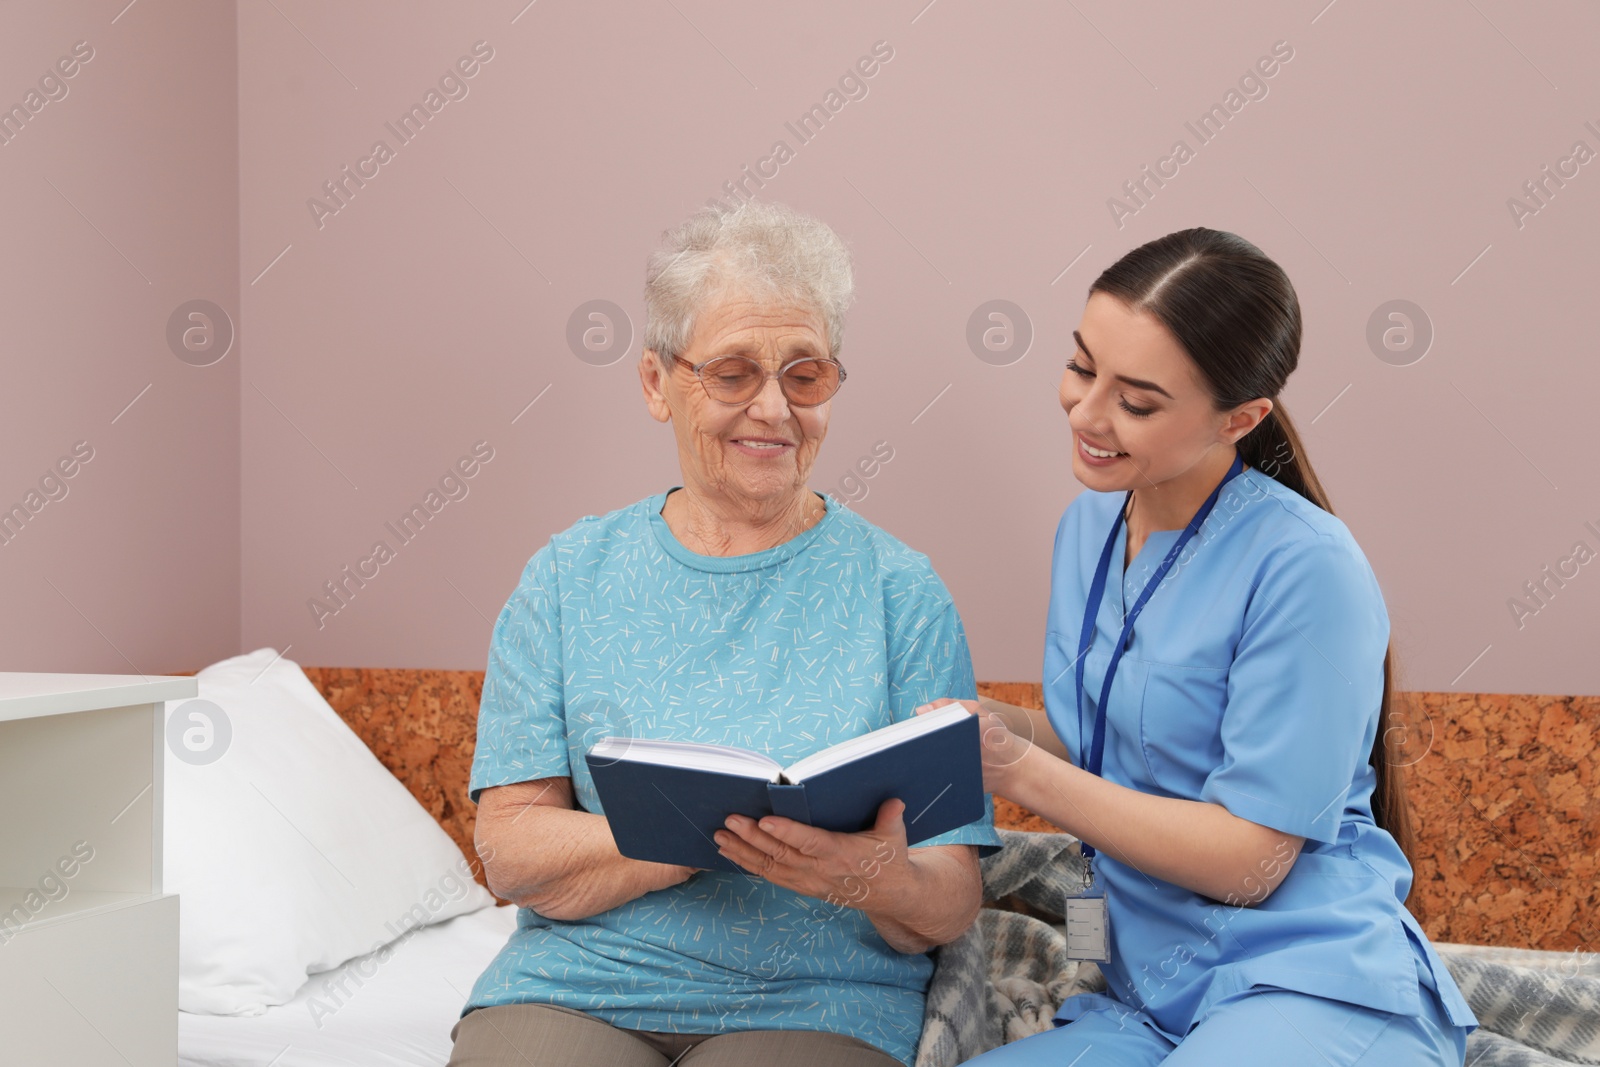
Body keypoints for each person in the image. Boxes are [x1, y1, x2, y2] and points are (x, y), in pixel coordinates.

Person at [446, 199, 1002, 1067]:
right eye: (734, 372)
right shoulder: (565, 579)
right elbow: (510, 850)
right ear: (656, 383)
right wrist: (698, 835)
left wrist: (869, 876)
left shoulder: (902, 592)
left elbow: (952, 896)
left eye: (806, 375)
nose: (774, 410)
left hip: (818, 996)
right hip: (580, 983)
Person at [922, 228, 1478, 1065]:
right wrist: (971, 724)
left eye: (1136, 401)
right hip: (1143, 996)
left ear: (1242, 417)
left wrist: (1020, 772)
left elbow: (1251, 863)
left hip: (1303, 978)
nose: (1086, 412)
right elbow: (1110, 746)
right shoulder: (1090, 529)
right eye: (1081, 367)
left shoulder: (1307, 566)